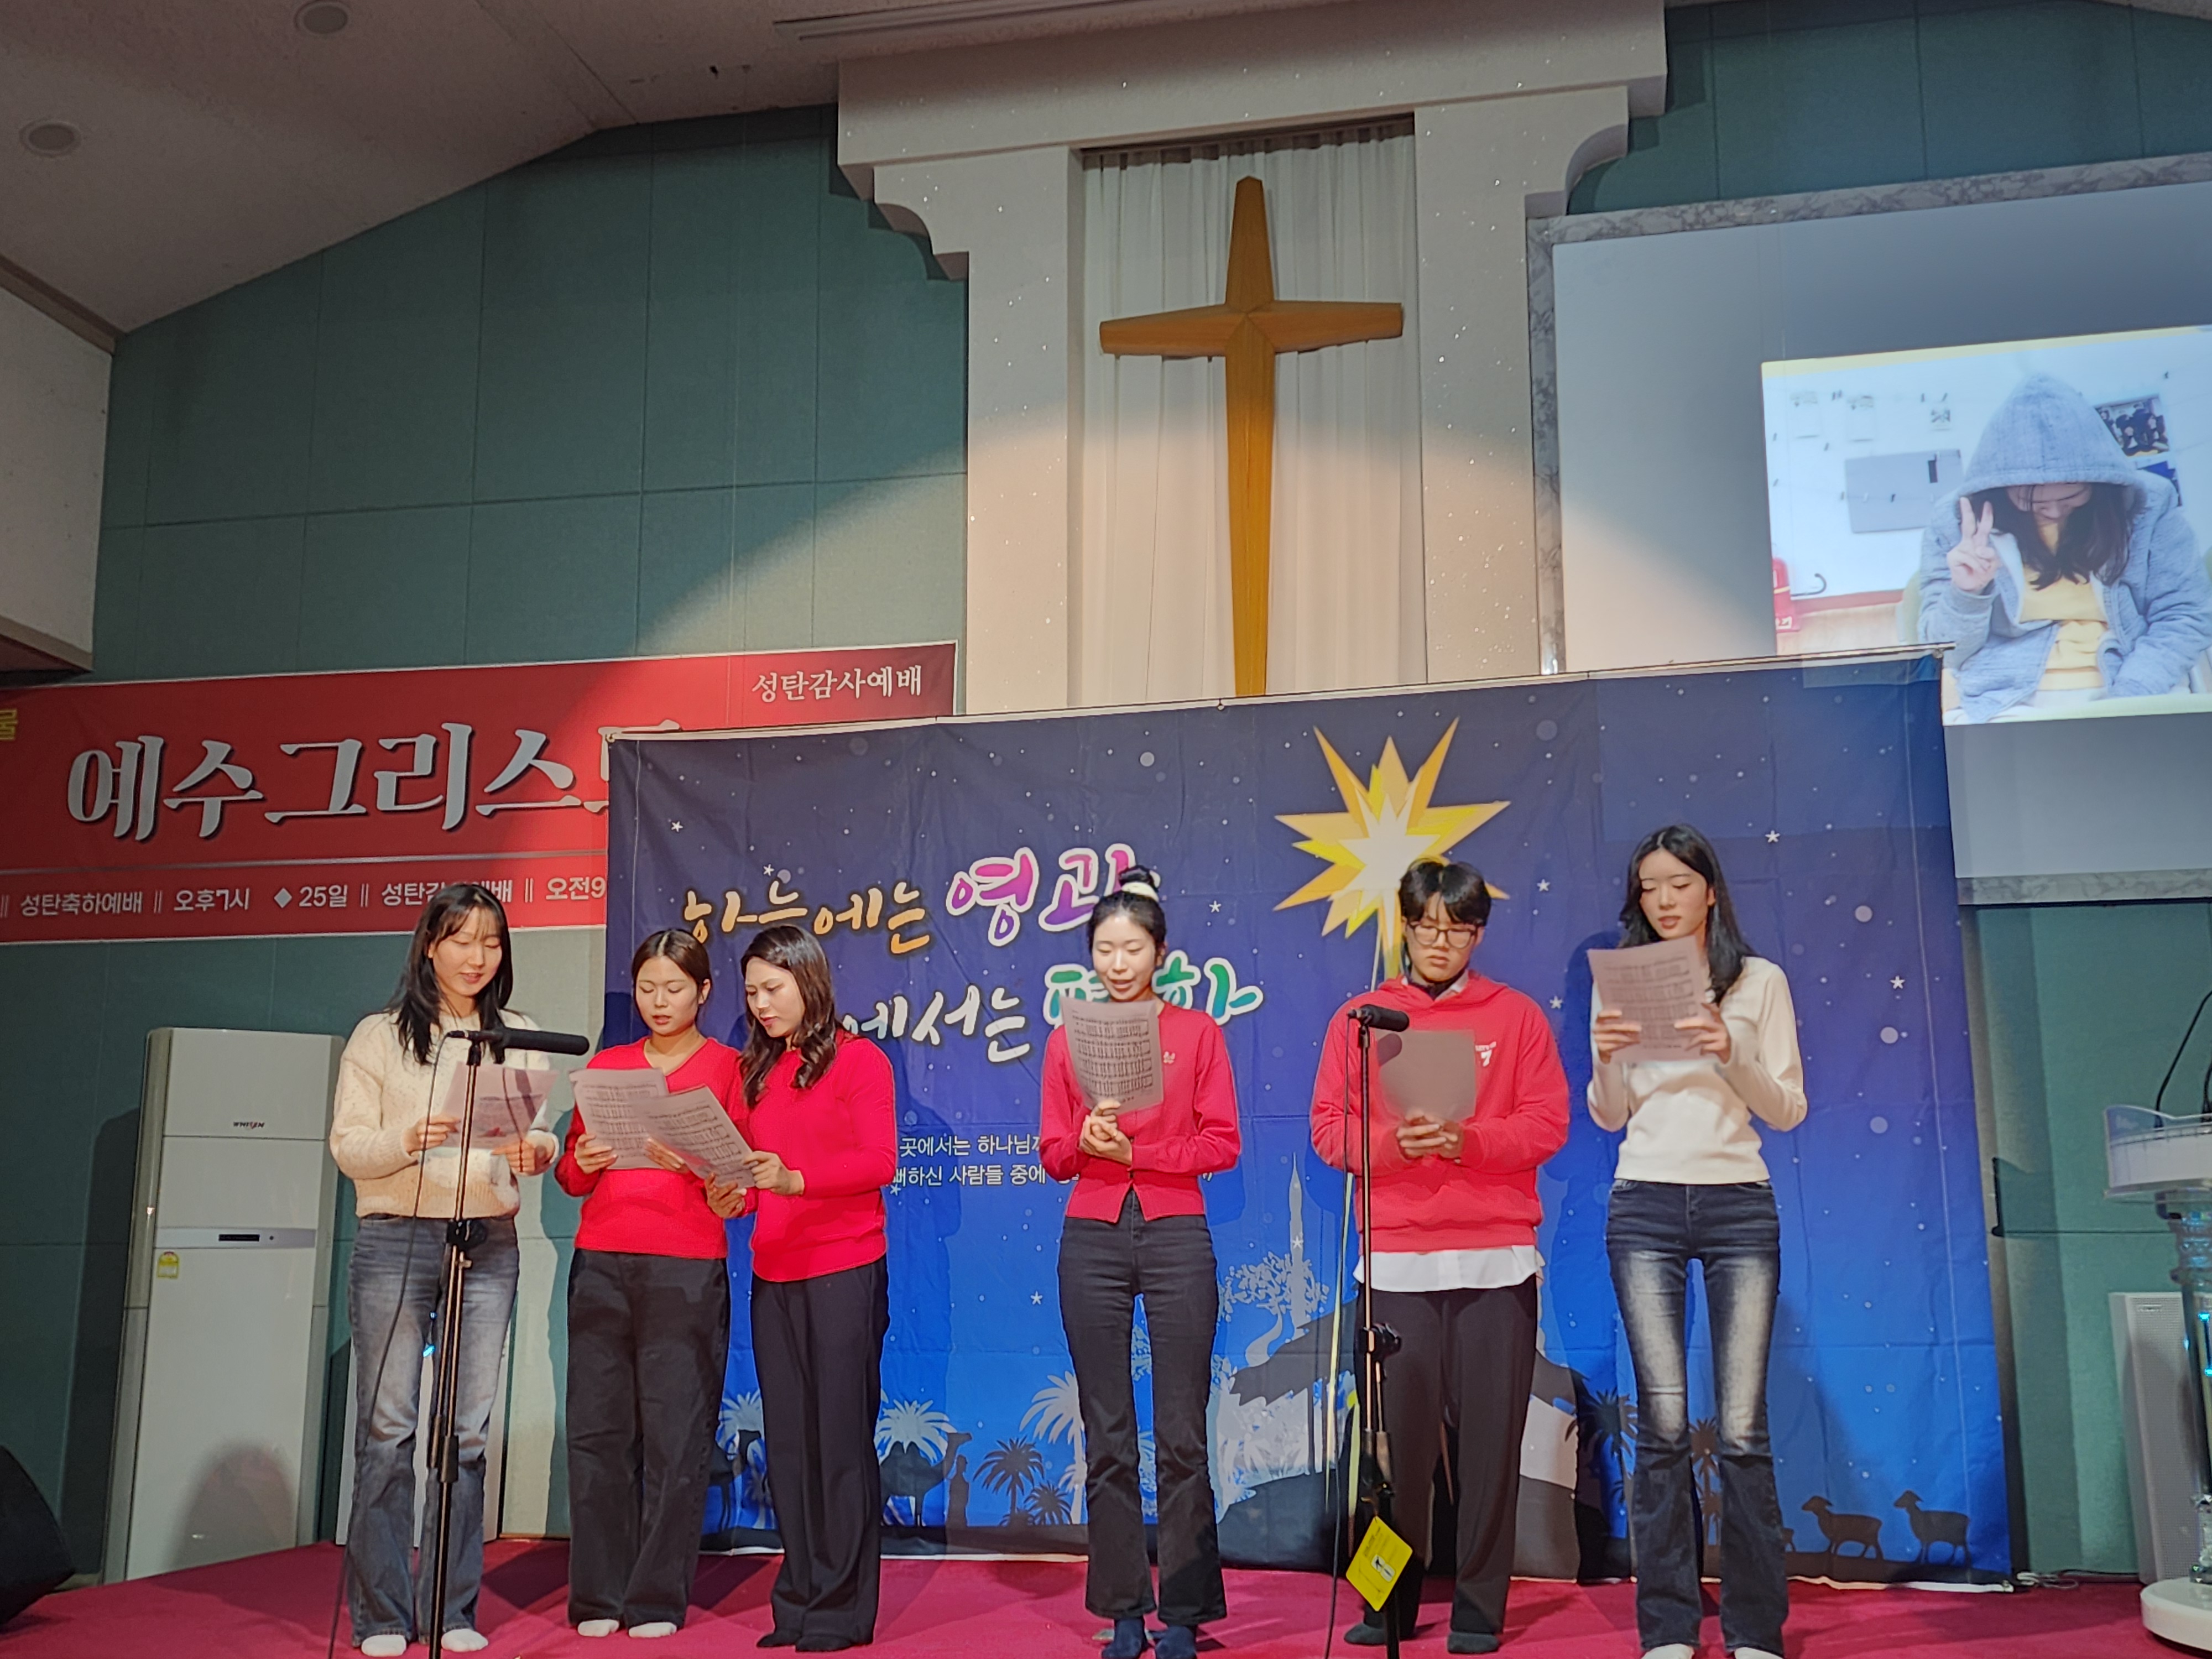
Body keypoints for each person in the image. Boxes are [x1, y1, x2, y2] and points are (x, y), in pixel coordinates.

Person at [1308, 859, 1569, 1657]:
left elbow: (1547, 1125)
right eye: (1425, 926)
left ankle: (1478, 1612)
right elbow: (1328, 1130)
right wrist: (1396, 1144)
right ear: (1405, 925)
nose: (1439, 942)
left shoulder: (1515, 1017)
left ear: (1477, 934)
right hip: (1397, 1264)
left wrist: (1466, 1140)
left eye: (1456, 929)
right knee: (1393, 1453)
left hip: (1496, 1263)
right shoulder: (1362, 1019)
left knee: (1489, 1452)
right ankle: (1386, 1603)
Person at [1589, 825, 1807, 1659]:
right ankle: (1669, 1627)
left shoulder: (1759, 981)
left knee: (1743, 1428)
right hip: (1643, 1200)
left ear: (1710, 890)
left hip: (1736, 1203)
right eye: (1649, 887)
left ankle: (1754, 1629)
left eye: (1679, 883)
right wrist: (1607, 1060)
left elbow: (1786, 1108)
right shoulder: (1623, 981)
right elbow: (1609, 1113)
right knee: (1663, 1425)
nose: (1664, 899)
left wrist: (1731, 1051)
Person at [328, 883, 559, 1658]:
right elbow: (348, 1147)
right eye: (462, 940)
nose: (476, 957)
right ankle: (382, 1615)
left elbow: (538, 1136)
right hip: (396, 1237)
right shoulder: (380, 1036)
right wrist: (407, 1138)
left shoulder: (518, 1035)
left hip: (487, 1241)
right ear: (430, 945)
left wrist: (537, 1150)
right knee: (388, 1430)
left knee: (466, 1435)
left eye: (491, 942)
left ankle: (451, 1608)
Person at [1039, 866, 1240, 1659]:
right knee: (1108, 1434)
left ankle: (1184, 1613)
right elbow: (1052, 1152)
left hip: (1176, 1232)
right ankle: (1124, 1610)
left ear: (1161, 953)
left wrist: (1140, 1153)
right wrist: (1083, 1142)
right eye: (1104, 949)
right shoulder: (1066, 1038)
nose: (1118, 963)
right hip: (1090, 1236)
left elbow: (1222, 1143)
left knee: (1182, 1432)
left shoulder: (1197, 1033)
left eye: (1132, 948)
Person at [558, 930, 750, 1640]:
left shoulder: (729, 1068)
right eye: (647, 988)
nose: (659, 1002)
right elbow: (572, 1177)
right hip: (601, 1262)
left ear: (703, 992)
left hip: (686, 1266)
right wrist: (582, 1160)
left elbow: (743, 1181)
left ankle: (655, 1598)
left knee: (676, 1434)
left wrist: (714, 1180)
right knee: (598, 1432)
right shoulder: (608, 1067)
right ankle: (597, 1596)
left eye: (674, 989)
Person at [736, 924, 898, 1653]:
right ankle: (797, 1600)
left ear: (809, 982)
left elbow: (879, 1161)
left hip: (843, 1267)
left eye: (773, 989)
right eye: (751, 993)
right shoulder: (760, 1070)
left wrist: (796, 1180)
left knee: (838, 1441)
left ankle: (840, 1609)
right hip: (773, 1271)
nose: (762, 1005)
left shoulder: (860, 1061)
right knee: (790, 1446)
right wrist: (731, 1192)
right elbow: (752, 1176)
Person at [1919, 372, 2212, 722]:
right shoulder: (1956, 521)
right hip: (2007, 703)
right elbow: (1946, 653)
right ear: (2001, 488)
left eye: (2072, 497)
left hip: (2136, 687)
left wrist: (2131, 696)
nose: (2055, 512)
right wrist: (1967, 595)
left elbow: (2185, 614)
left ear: (2099, 483)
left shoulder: (2149, 505)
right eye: (2034, 502)